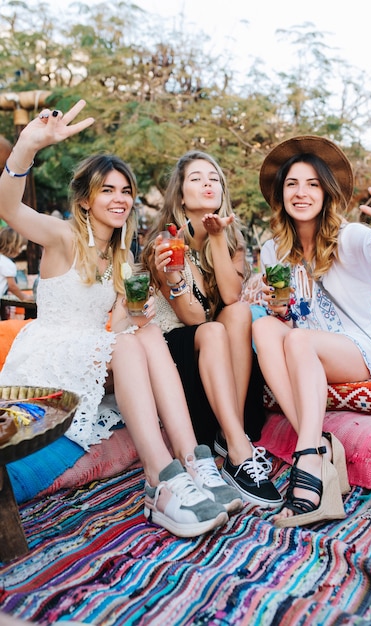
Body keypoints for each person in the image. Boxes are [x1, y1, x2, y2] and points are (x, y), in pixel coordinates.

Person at [0, 100, 243, 538]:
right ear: (87, 198)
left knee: (145, 332)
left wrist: (137, 313)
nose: (120, 199)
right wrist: (27, 147)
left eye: (125, 191)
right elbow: (9, 209)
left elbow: (117, 327)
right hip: (50, 356)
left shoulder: (123, 260)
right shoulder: (62, 237)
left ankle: (194, 461)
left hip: (94, 356)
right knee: (135, 340)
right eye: (108, 190)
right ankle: (160, 478)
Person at [252, 135, 371, 527]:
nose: (301, 192)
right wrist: (278, 310)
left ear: (326, 192)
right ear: (281, 194)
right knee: (264, 328)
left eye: (312, 184)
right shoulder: (274, 250)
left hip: (359, 351)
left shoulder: (349, 237)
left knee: (296, 337)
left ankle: (306, 455)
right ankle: (321, 446)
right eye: (292, 184)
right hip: (305, 347)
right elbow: (292, 321)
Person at [142, 150, 282, 508]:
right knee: (215, 330)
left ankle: (229, 433)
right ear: (180, 194)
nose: (207, 184)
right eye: (196, 178)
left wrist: (217, 237)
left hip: (222, 372)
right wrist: (172, 276)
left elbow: (232, 297)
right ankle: (237, 451)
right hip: (179, 357)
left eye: (214, 179)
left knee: (237, 314)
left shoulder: (232, 244)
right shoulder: (165, 244)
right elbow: (192, 319)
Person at [0, 227, 32, 301]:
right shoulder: (8, 264)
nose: (21, 251)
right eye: (20, 247)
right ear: (13, 247)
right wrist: (23, 297)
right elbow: (12, 286)